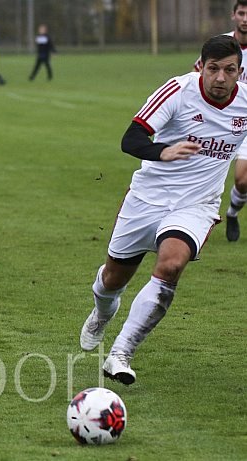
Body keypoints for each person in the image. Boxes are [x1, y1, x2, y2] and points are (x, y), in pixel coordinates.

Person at [79, 34, 247, 385]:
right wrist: (162, 151)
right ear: (201, 67)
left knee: (171, 265)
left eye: (229, 70)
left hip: (195, 206)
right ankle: (101, 313)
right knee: (111, 280)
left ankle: (121, 353)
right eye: (213, 69)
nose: (220, 78)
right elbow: (132, 138)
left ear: (239, 71)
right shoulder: (177, 90)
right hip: (146, 200)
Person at [193, 0, 247, 241]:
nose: (246, 19)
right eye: (242, 13)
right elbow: (197, 76)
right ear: (233, 15)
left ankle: (232, 212)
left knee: (243, 180)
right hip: (223, 118)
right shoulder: (222, 45)